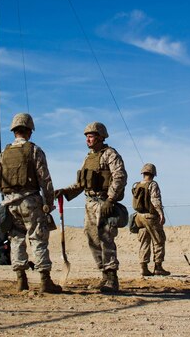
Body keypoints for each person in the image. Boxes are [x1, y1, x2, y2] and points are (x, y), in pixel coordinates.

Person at [0, 113, 62, 294]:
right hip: (30, 201)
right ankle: (45, 281)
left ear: (14, 130)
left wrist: (8, 196)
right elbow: (45, 179)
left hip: (10, 203)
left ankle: (21, 280)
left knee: (16, 239)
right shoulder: (34, 150)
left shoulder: (5, 152)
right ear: (30, 131)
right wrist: (48, 203)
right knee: (38, 238)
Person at [56, 122, 126, 293]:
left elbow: (120, 176)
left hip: (104, 203)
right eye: (86, 136)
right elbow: (81, 183)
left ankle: (111, 277)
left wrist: (110, 199)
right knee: (92, 237)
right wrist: (65, 191)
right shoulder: (88, 158)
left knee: (106, 238)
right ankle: (103, 273)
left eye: (92, 135)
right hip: (90, 203)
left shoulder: (110, 154)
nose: (88, 138)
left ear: (101, 136)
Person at [132, 163, 170, 276]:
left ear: (143, 173)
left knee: (144, 241)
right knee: (159, 240)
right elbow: (155, 200)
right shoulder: (153, 185)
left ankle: (143, 267)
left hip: (139, 217)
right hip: (150, 216)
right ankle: (158, 267)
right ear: (153, 174)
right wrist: (161, 213)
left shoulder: (137, 185)